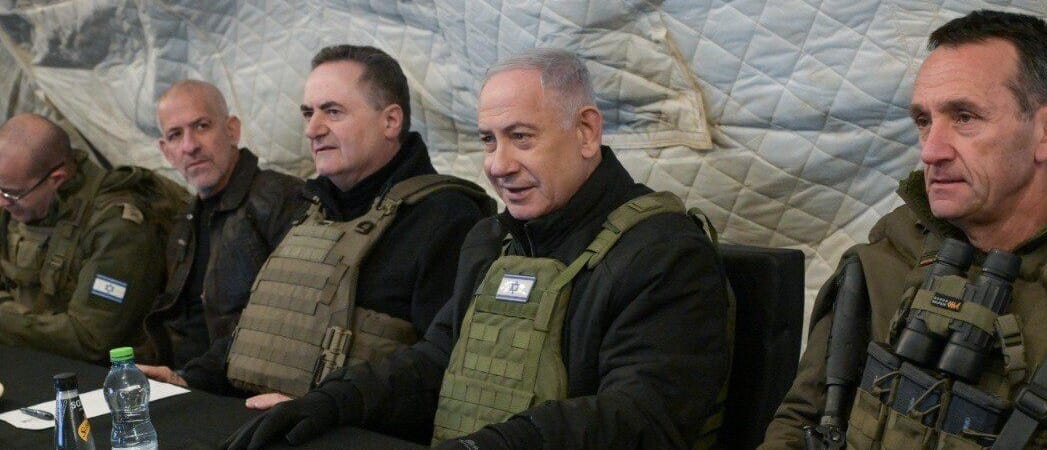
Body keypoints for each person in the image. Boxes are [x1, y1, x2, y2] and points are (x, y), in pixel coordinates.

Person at [225, 48, 731, 450]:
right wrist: (329, 403)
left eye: (521, 137)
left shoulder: (664, 253)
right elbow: (436, 360)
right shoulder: (491, 240)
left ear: (586, 132)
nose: (498, 165)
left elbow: (643, 415)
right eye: (488, 140)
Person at [760, 10, 1047, 449]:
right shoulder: (884, 261)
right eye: (924, 121)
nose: (931, 152)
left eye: (965, 117)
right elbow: (801, 421)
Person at [214, 44, 493, 408]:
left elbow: (441, 371)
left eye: (333, 111)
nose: (312, 129)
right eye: (308, 113)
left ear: (390, 121)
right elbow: (266, 326)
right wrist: (186, 377)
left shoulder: (447, 218)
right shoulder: (310, 207)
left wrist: (324, 409)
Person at [137, 80, 306, 395]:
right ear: (166, 151)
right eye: (175, 135)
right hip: (186, 386)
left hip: (241, 395)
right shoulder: (185, 221)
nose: (190, 146)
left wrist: (189, 378)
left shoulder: (283, 201)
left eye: (201, 126)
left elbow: (281, 326)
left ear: (232, 130)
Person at [0, 113, 181, 363]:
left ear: (56, 179)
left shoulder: (118, 227)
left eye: (11, 194)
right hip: (27, 357)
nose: (2, 202)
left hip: (102, 374)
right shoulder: (17, 200)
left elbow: (91, 339)